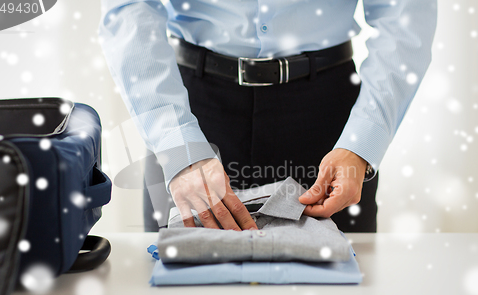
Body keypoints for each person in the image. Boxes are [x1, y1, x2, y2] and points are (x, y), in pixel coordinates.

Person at [98, 0, 437, 232]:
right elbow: (130, 8)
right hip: (189, 113)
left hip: (331, 125)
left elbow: (406, 17)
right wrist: (175, 141)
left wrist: (363, 141)